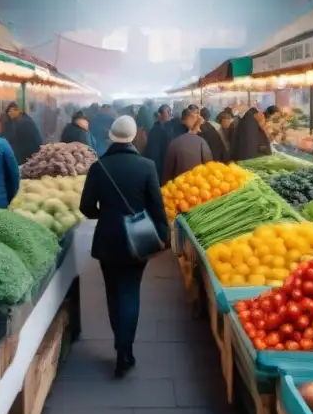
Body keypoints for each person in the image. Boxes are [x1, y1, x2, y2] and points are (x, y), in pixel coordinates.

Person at [80, 115, 169, 377]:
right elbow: (157, 208)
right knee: (130, 292)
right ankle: (125, 351)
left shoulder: (99, 167)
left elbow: (86, 207)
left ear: (111, 136)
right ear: (133, 137)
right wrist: (162, 238)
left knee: (113, 293)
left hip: (107, 239)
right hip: (137, 240)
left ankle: (120, 341)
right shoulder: (147, 166)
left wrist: (106, 215)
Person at [163, 108, 214, 181]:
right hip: (196, 182)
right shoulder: (178, 137)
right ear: (185, 120)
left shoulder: (203, 133)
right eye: (193, 117)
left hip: (186, 182)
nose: (196, 118)